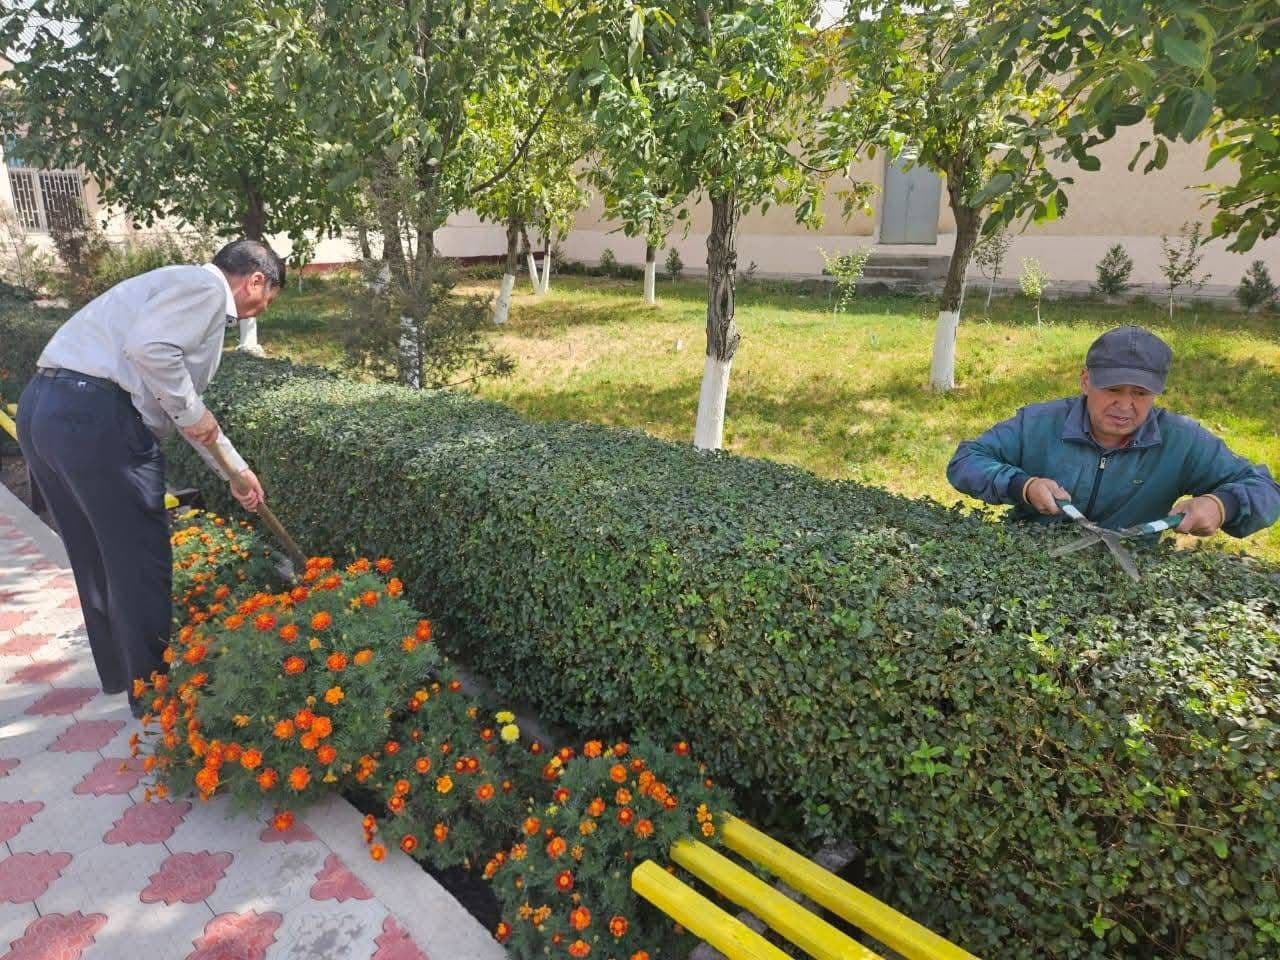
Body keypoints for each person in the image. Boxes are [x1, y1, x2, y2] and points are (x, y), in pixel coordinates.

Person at [15, 239, 283, 717]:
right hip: (97, 419)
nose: (262, 308)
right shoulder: (207, 290)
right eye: (268, 298)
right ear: (255, 280)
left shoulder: (172, 283)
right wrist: (195, 414)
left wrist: (234, 471)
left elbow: (176, 399)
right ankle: (155, 696)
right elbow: (155, 358)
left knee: (94, 553)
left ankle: (121, 674)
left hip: (45, 407)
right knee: (139, 560)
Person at [947, 324, 1280, 538]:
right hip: (1030, 560)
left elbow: (1266, 489)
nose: (1124, 406)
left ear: (1157, 393)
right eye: (1112, 390)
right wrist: (1023, 485)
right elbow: (966, 460)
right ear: (1086, 381)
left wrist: (1221, 506)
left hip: (1126, 578)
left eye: (1140, 394)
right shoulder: (1038, 422)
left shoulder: (1181, 440)